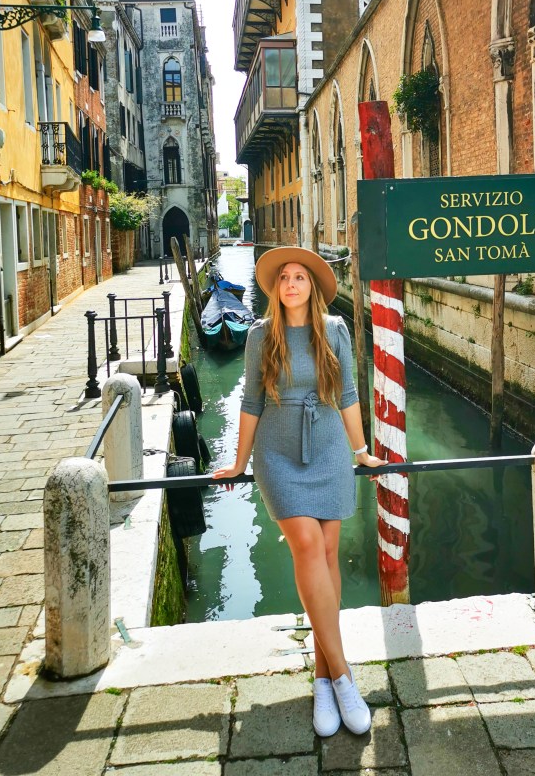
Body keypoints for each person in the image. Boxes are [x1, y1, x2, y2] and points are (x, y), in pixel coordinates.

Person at [212, 247, 384, 737]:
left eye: (299, 277)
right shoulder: (259, 336)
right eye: (283, 277)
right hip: (277, 452)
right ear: (274, 289)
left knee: (328, 552)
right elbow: (248, 401)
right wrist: (240, 461)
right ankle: (346, 675)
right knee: (307, 544)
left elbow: (348, 393)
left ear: (312, 286)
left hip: (328, 444)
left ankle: (322, 678)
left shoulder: (335, 331)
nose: (291, 284)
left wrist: (361, 451)